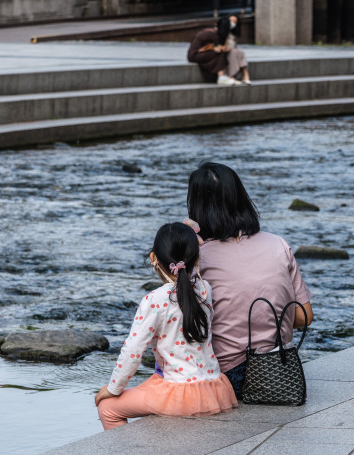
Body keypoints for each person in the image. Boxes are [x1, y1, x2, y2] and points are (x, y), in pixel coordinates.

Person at [187, 162, 314, 398]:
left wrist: (184, 241)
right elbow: (303, 316)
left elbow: (180, 322)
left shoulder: (198, 257)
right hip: (278, 369)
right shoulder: (278, 244)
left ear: (197, 206)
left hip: (226, 374)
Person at [95, 223, 236, 430]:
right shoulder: (206, 289)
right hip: (214, 388)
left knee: (107, 407)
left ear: (153, 259)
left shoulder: (155, 300)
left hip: (179, 393)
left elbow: (133, 352)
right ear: (196, 259)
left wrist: (113, 389)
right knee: (153, 382)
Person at [187, 16, 251, 86]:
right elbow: (223, 48)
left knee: (234, 52)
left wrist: (214, 47)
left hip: (196, 53)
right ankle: (222, 77)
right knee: (220, 53)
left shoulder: (212, 32)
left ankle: (233, 76)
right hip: (194, 55)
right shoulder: (213, 34)